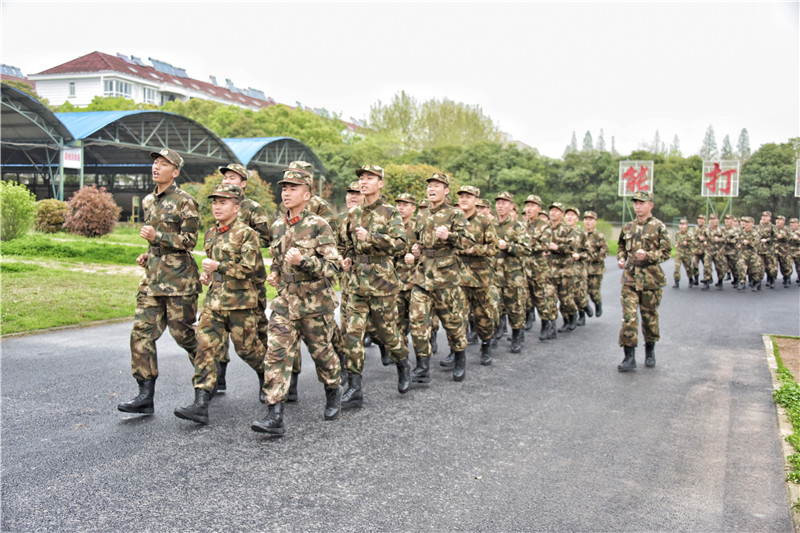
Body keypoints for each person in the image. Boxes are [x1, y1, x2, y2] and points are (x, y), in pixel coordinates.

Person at [251, 168, 342, 436]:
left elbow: (333, 266)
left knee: (322, 354)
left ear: (306, 193)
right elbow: (278, 260)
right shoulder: (277, 226)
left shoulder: (318, 225)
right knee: (275, 354)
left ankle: (333, 389)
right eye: (284, 187)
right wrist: (277, 276)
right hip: (285, 303)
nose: (286, 192)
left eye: (293, 187)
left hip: (315, 303)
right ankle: (274, 414)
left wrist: (304, 261)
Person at [174, 184, 267, 425]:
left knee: (247, 349)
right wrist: (209, 276)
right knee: (204, 347)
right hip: (214, 301)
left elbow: (251, 269)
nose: (217, 206)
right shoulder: (210, 234)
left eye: (223, 202)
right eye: (215, 202)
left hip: (240, 303)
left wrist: (220, 268)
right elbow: (213, 269)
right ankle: (201, 403)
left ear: (236, 208)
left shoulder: (247, 234)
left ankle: (266, 374)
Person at [118, 148, 201, 416]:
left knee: (183, 335)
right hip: (153, 281)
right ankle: (145, 394)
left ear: (175, 172)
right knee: (141, 333)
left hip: (179, 282)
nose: (157, 167)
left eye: (164, 164)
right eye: (155, 163)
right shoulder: (147, 201)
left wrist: (157, 238)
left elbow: (189, 242)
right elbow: (155, 242)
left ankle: (208, 378)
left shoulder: (185, 201)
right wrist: (148, 253)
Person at [338, 164, 411, 408]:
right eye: (361, 178)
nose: (364, 182)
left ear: (380, 183)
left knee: (387, 334)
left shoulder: (390, 212)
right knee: (352, 334)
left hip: (381, 283)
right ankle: (355, 387)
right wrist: (345, 257)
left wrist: (371, 238)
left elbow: (401, 245)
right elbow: (344, 244)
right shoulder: (352, 213)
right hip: (356, 284)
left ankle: (403, 363)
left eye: (370, 178)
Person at [406, 172, 475, 383]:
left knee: (453, 322)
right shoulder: (423, 214)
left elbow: (468, 242)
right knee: (418, 322)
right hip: (422, 276)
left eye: (437, 185)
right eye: (430, 186)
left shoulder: (455, 214)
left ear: (446, 190)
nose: (432, 189)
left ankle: (460, 359)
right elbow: (417, 241)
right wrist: (415, 250)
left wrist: (450, 236)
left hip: (446, 277)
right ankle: (423, 367)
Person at [215, 164, 271, 393]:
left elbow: (267, 239)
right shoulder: (220, 204)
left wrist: (240, 236)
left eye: (233, 178)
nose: (228, 181)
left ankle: (266, 377)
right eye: (226, 177)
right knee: (217, 329)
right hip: (225, 280)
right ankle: (218, 379)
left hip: (250, 281)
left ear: (243, 183)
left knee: (255, 330)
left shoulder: (253, 209)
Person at [616, 190, 671, 372]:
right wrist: (622, 258)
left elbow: (666, 252)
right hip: (630, 279)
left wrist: (648, 255)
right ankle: (629, 357)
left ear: (650, 205)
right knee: (629, 318)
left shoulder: (659, 227)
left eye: (641, 202)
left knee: (649, 318)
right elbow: (621, 245)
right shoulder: (628, 227)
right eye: (635, 203)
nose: (638, 206)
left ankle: (650, 351)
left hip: (651, 280)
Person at [449, 185, 498, 365]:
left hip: (480, 277)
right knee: (456, 316)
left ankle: (486, 345)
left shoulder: (485, 222)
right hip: (457, 276)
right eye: (461, 196)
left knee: (483, 316)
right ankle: (456, 351)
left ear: (476, 201)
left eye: (468, 197)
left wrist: (474, 249)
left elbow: (494, 248)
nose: (463, 199)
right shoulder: (453, 220)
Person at [493, 192, 532, 353]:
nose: (500, 205)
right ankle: (495, 333)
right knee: (495, 306)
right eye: (498, 203)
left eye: (504, 203)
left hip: (512, 274)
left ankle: (517, 335)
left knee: (515, 307)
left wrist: (507, 246)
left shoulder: (517, 226)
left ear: (511, 206)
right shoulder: (491, 225)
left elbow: (526, 249)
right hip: (495, 273)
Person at [523, 195, 558, 341]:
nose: (529, 208)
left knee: (541, 297)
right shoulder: (522, 225)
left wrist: (525, 245)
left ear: (539, 209)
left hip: (538, 267)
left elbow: (544, 245)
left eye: (533, 206)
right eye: (527, 206)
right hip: (524, 265)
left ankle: (546, 324)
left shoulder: (544, 226)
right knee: (525, 297)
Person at [548, 202, 580, 332]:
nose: (553, 213)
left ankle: (571, 316)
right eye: (551, 210)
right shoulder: (546, 228)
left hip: (565, 269)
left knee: (565, 299)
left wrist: (557, 247)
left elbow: (573, 248)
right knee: (549, 297)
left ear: (562, 214)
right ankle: (550, 325)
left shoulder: (568, 230)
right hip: (549, 269)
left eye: (556, 211)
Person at [395, 193, 418, 341]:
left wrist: (417, 256)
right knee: (397, 319)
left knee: (417, 319)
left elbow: (430, 249)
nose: (401, 208)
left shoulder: (419, 227)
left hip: (415, 281)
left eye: (405, 205)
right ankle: (401, 352)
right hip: (395, 280)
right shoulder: (392, 227)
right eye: (399, 204)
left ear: (413, 208)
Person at [582, 210, 608, 315]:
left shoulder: (599, 236)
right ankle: (582, 314)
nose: (588, 222)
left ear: (595, 222)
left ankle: (598, 303)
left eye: (591, 219)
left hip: (595, 270)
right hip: (582, 269)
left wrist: (591, 257)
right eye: (586, 219)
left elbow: (604, 253)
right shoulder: (581, 235)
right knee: (581, 292)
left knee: (593, 292)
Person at [739, 216, 764, 291]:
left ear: (752, 224)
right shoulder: (742, 232)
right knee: (741, 265)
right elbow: (738, 240)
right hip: (743, 254)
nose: (746, 224)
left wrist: (748, 242)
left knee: (754, 270)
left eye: (748, 222)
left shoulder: (755, 233)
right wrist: (739, 244)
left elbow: (756, 243)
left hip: (752, 254)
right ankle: (742, 282)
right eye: (745, 222)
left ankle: (757, 282)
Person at [757, 211, 778, 289]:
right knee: (759, 266)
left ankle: (772, 279)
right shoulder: (759, 226)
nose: (764, 218)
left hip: (769, 250)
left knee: (770, 266)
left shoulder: (773, 227)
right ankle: (758, 282)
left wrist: (767, 240)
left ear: (769, 218)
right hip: (760, 250)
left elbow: (776, 238)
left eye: (766, 216)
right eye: (763, 216)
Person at [691, 214, 711, 289]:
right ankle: (696, 279)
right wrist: (698, 239)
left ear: (704, 220)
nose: (700, 220)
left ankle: (707, 279)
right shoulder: (695, 228)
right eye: (699, 219)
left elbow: (710, 238)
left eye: (702, 219)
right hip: (696, 250)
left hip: (705, 250)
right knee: (694, 263)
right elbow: (692, 237)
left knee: (706, 265)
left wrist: (705, 240)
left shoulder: (707, 228)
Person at [774, 215, 794, 287]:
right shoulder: (774, 228)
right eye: (777, 219)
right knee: (773, 266)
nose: (778, 221)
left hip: (784, 251)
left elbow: (780, 236)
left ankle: (787, 278)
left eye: (780, 220)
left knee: (785, 265)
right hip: (775, 250)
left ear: (783, 221)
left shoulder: (786, 229)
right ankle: (771, 280)